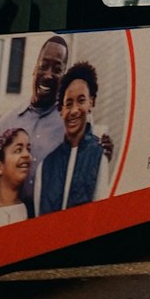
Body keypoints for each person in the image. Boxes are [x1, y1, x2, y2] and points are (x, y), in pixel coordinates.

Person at [0, 34, 71, 208]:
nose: (48, 75)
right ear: (34, 68)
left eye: (57, 69)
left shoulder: (70, 127)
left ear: (64, 77)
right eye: (43, 66)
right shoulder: (5, 124)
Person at [36, 61, 110, 214]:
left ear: (91, 102)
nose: (74, 110)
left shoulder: (99, 158)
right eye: (68, 103)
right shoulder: (45, 166)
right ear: (61, 110)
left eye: (81, 100)